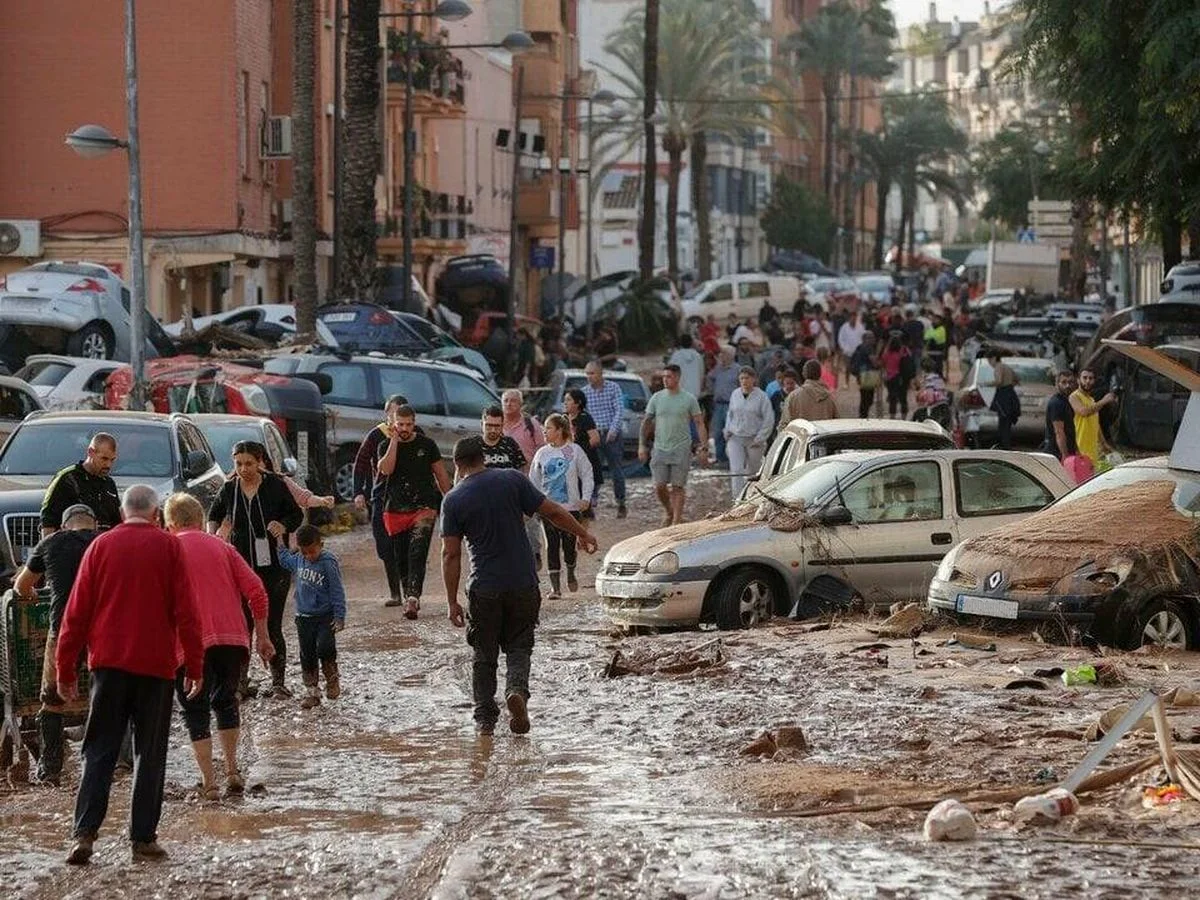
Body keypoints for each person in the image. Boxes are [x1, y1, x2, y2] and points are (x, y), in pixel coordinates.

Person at [57, 485, 203, 865]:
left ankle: (84, 836)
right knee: (149, 753)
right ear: (156, 515)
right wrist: (195, 665)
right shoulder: (169, 547)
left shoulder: (100, 547)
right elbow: (187, 611)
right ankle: (142, 839)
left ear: (123, 513)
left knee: (99, 750)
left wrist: (65, 668)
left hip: (107, 666)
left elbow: (76, 613)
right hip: (155, 668)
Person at [441, 438, 598, 735]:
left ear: (458, 465)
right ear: (483, 457)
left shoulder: (454, 499)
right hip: (523, 584)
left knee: (484, 656)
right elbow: (552, 512)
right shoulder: (512, 479)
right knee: (519, 647)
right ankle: (516, 691)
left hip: (484, 587)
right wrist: (583, 534)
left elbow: (450, 554)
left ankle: (485, 720)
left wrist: (451, 601)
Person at [164, 493, 273, 801]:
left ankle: (209, 783)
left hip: (188, 645)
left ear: (170, 525)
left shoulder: (168, 551)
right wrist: (262, 636)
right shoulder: (224, 548)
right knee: (226, 702)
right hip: (232, 640)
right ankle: (233, 770)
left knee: (194, 710)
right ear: (200, 521)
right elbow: (257, 591)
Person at [208, 441, 304, 697]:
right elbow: (213, 514)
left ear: (260, 462)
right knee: (242, 625)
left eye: (249, 463)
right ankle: (241, 682)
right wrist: (214, 537)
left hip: (274, 565)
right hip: (240, 565)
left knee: (272, 623)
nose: (243, 469)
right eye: (238, 464)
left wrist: (283, 526)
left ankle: (278, 682)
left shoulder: (275, 485)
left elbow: (297, 515)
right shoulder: (229, 489)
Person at [13, 503, 99, 785]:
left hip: (63, 627)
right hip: (103, 629)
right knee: (108, 694)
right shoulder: (104, 541)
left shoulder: (51, 542)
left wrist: (32, 597)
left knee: (52, 700)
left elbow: (21, 587)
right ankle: (117, 764)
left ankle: (50, 770)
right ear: (94, 525)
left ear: (64, 525)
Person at [376, 405, 452, 620]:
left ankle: (412, 598)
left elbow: (441, 475)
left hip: (424, 507)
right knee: (401, 557)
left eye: (409, 424)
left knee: (417, 552)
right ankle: (408, 593)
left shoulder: (427, 445)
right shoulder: (385, 445)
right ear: (393, 423)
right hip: (395, 509)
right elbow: (386, 469)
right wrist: (394, 441)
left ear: (414, 422)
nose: (405, 428)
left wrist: (452, 499)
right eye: (400, 424)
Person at [279, 524, 346, 710]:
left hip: (325, 617)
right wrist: (279, 540)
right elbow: (285, 560)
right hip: (303, 617)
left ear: (321, 545)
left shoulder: (328, 562)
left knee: (325, 648)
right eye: (304, 552)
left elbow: (337, 590)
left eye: (312, 551)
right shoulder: (299, 559)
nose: (309, 556)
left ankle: (332, 679)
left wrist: (340, 616)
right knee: (307, 654)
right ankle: (312, 692)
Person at [354, 395, 413, 606]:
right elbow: (360, 464)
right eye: (391, 413)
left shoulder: (416, 436)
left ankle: (409, 592)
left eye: (399, 413)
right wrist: (358, 492)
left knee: (406, 546)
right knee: (386, 546)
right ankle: (395, 592)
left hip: (408, 498)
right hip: (381, 497)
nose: (394, 418)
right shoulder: (376, 436)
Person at [529, 415, 594, 598]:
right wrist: (534, 503)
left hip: (571, 508)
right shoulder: (542, 453)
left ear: (559, 430)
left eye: (548, 428)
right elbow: (534, 480)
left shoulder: (575, 451)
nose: (544, 431)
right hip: (548, 508)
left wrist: (586, 498)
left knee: (568, 544)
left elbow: (587, 474)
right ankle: (555, 588)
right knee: (551, 545)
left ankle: (571, 570)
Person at [640, 364, 707, 527]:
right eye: (664, 377)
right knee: (659, 486)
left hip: (682, 447)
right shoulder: (657, 398)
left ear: (677, 377)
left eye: (668, 376)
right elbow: (646, 422)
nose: (665, 380)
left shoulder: (689, 399)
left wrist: (704, 447)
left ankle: (676, 519)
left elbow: (699, 423)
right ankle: (669, 511)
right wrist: (641, 445)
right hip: (660, 447)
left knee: (678, 486)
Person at [40, 433, 121, 538]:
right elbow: (48, 520)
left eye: (112, 460)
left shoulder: (109, 484)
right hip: (72, 545)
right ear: (90, 452)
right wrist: (49, 549)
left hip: (102, 547)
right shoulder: (67, 479)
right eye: (104, 459)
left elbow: (116, 522)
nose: (108, 465)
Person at [581, 361, 628, 518]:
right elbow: (583, 415)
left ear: (601, 373)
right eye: (587, 374)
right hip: (593, 434)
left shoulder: (613, 388)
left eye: (592, 373)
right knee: (592, 469)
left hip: (611, 433)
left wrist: (613, 430)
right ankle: (590, 502)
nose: (589, 377)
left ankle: (621, 502)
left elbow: (619, 410)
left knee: (617, 470)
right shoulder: (584, 392)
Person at [724, 367, 774, 499]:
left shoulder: (762, 397)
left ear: (754, 379)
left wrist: (760, 438)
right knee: (736, 470)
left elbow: (769, 419)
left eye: (747, 378)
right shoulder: (735, 394)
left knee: (753, 472)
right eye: (741, 378)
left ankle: (752, 498)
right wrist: (727, 429)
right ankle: (737, 499)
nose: (744, 381)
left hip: (754, 439)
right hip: (735, 437)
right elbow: (730, 414)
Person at [563, 389, 602, 516]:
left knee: (584, 500)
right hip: (567, 464)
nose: (565, 403)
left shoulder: (585, 418)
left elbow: (595, 439)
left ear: (578, 403)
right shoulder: (563, 418)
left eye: (568, 400)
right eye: (565, 400)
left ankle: (587, 528)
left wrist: (579, 450)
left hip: (586, 462)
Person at [1070, 367, 1117, 470]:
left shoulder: (1091, 400)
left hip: (1093, 450)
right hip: (1080, 448)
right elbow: (1083, 412)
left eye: (1091, 378)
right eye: (1085, 378)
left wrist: (1104, 444)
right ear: (1078, 380)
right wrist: (1104, 401)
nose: (1088, 381)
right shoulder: (1074, 396)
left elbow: (1096, 423)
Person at [1043, 369, 1086, 477]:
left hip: (1069, 450)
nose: (1067, 385)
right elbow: (1059, 431)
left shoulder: (1068, 401)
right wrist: (1065, 455)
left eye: (1070, 382)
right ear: (1057, 384)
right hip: (1056, 453)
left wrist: (1076, 450)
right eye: (1064, 382)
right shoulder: (1056, 403)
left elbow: (1070, 428)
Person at [705, 347, 739, 467]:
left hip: (732, 405)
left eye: (723, 353)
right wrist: (712, 390)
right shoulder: (718, 369)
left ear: (731, 355)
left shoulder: (737, 370)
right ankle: (721, 458)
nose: (721, 355)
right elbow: (709, 377)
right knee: (717, 432)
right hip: (718, 405)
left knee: (732, 432)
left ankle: (735, 459)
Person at [985, 351, 1022, 450]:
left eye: (989, 360)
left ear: (993, 358)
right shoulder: (1006, 366)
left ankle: (1005, 446)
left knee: (1003, 423)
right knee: (1007, 423)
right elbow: (1017, 379)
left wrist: (986, 384)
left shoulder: (998, 367)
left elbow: (999, 381)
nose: (989, 363)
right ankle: (1006, 444)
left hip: (1003, 396)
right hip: (1010, 394)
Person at [783, 359, 839, 425]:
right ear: (820, 374)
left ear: (804, 374)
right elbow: (837, 422)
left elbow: (785, 423)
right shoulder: (829, 397)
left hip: (802, 434)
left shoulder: (793, 396)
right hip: (823, 433)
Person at [478, 405, 527, 471]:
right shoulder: (474, 445)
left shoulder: (510, 444)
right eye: (489, 425)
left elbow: (522, 470)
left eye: (497, 426)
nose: (493, 430)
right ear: (481, 424)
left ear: (502, 426)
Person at [879, 332, 913, 419]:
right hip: (901, 378)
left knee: (892, 399)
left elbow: (882, 363)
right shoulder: (903, 353)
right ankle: (903, 417)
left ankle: (892, 417)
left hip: (890, 378)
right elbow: (910, 361)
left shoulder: (887, 354)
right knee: (903, 398)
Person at [849, 331, 882, 418]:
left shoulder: (859, 347)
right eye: (871, 337)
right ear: (865, 339)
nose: (873, 339)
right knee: (868, 398)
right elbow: (874, 362)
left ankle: (863, 414)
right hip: (868, 375)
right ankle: (863, 415)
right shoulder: (868, 348)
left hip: (861, 375)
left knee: (864, 396)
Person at [668, 332, 705, 399]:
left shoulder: (676, 356)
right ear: (691, 343)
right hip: (695, 391)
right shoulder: (697, 356)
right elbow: (701, 374)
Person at [837, 312, 866, 389]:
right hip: (847, 352)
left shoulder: (860, 326)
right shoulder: (844, 327)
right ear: (849, 318)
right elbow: (840, 339)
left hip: (858, 352)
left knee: (859, 367)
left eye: (855, 317)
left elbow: (864, 337)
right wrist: (844, 348)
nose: (853, 319)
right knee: (848, 367)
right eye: (852, 317)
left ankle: (859, 381)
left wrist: (862, 348)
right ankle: (846, 383)